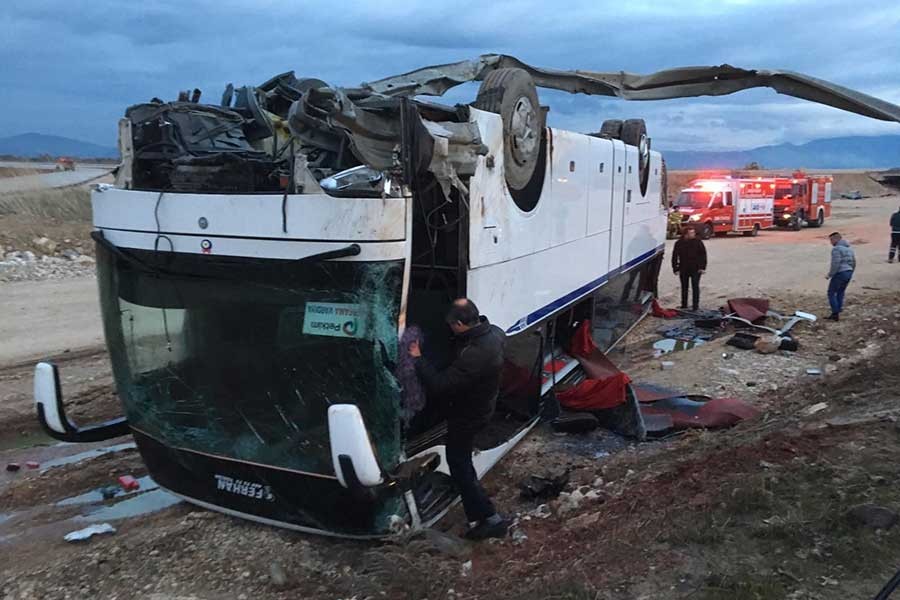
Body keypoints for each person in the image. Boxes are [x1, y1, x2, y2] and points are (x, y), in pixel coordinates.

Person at [408, 298, 508, 540]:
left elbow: (441, 386)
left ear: (462, 324)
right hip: (482, 405)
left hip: (468, 416)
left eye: (452, 325)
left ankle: (489, 518)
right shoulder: (493, 332)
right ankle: (481, 514)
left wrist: (418, 358)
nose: (451, 329)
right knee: (460, 461)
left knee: (460, 465)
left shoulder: (475, 354)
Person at [671, 226, 707, 311]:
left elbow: (703, 255)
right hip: (684, 268)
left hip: (696, 268)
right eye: (691, 233)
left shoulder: (698, 242)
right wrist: (675, 268)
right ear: (685, 234)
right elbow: (675, 256)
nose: (693, 234)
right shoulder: (679, 243)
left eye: (693, 233)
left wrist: (702, 267)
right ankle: (684, 305)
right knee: (684, 287)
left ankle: (695, 306)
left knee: (695, 287)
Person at [826, 232, 856, 321]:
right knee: (841, 291)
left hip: (840, 273)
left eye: (831, 240)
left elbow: (836, 263)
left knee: (831, 292)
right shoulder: (849, 249)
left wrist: (830, 274)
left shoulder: (836, 249)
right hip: (849, 272)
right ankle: (839, 308)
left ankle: (835, 313)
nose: (831, 242)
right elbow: (854, 262)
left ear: (836, 239)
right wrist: (851, 272)